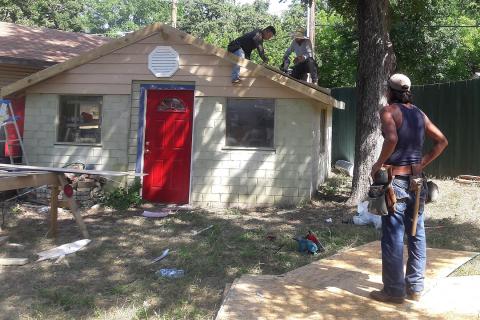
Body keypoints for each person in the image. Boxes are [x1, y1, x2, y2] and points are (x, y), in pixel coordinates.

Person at [369, 73, 448, 304]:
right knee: (416, 233)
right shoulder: (419, 114)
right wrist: (421, 163)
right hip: (418, 181)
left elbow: (391, 139)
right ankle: (414, 288)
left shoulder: (388, 111)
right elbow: (442, 141)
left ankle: (393, 291)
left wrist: (377, 164)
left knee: (393, 236)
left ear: (388, 91)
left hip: (397, 183)